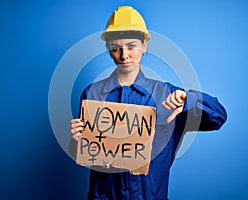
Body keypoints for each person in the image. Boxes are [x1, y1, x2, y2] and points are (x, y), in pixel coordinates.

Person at [70, 6, 227, 200]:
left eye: (131, 46)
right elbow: (85, 155)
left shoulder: (167, 95)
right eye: (116, 47)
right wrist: (76, 140)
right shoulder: (92, 93)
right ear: (108, 48)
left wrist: (189, 99)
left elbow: (218, 118)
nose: (124, 55)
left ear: (144, 45)